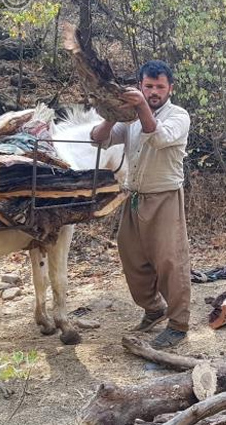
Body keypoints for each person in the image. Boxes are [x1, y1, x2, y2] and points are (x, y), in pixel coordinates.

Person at [90, 60, 192, 348]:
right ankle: (153, 308)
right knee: (132, 258)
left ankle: (178, 323)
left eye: (160, 87)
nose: (154, 92)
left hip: (165, 198)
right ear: (140, 85)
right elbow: (99, 140)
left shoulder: (179, 115)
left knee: (170, 260)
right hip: (134, 197)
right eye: (148, 86)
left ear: (170, 88)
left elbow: (158, 137)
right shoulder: (130, 118)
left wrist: (141, 107)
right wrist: (113, 112)